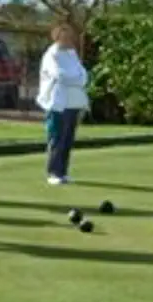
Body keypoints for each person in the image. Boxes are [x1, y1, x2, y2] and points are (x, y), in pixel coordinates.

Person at [38, 24, 90, 185]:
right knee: (56, 137)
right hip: (57, 102)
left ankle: (63, 172)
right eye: (64, 36)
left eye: (70, 36)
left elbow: (83, 75)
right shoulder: (51, 55)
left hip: (73, 101)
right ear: (57, 37)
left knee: (68, 139)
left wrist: (75, 79)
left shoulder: (71, 54)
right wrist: (74, 78)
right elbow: (59, 75)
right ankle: (53, 172)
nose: (68, 40)